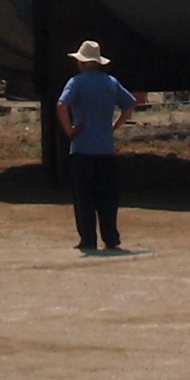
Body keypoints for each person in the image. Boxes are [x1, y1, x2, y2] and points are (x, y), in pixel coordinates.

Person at [55, 39, 139, 252]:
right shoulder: (111, 82)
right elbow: (130, 104)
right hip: (105, 148)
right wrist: (115, 125)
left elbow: (62, 105)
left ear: (83, 62)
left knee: (84, 197)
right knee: (107, 196)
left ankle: (88, 239)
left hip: (82, 148)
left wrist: (69, 130)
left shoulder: (76, 82)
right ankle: (110, 237)